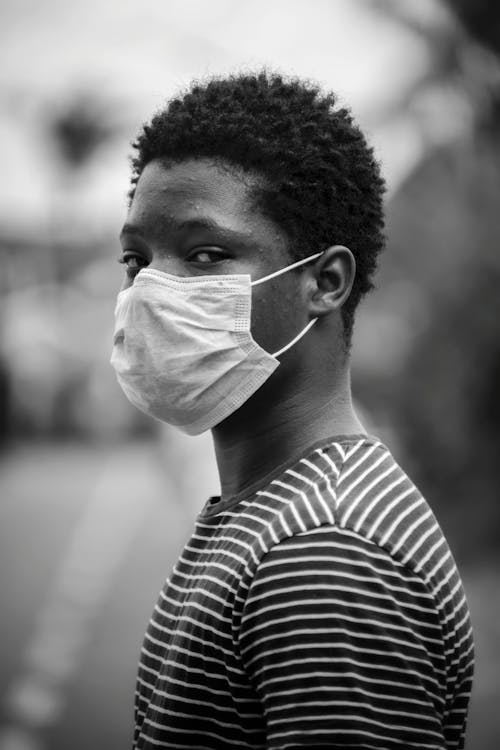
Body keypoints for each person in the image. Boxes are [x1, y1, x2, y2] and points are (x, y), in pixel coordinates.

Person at [111, 71, 474, 750]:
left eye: (205, 254)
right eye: (136, 258)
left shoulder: (325, 551)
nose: (151, 291)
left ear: (324, 283)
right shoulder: (274, 511)